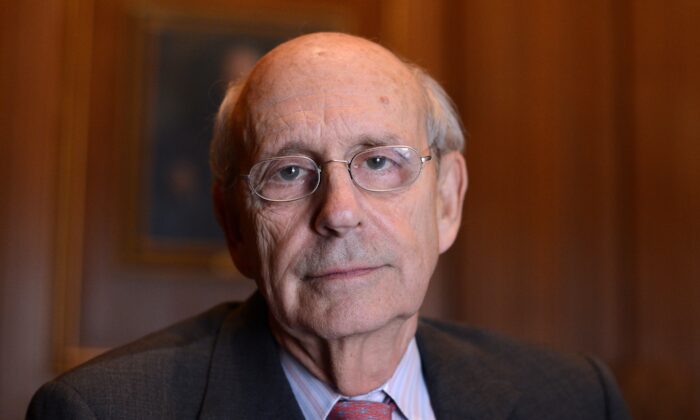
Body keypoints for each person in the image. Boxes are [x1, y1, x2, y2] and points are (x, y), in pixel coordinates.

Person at [27, 32, 629, 419]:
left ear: (447, 200)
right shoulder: (101, 411)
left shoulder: (574, 399)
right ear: (234, 225)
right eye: (289, 172)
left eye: (379, 163)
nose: (339, 213)